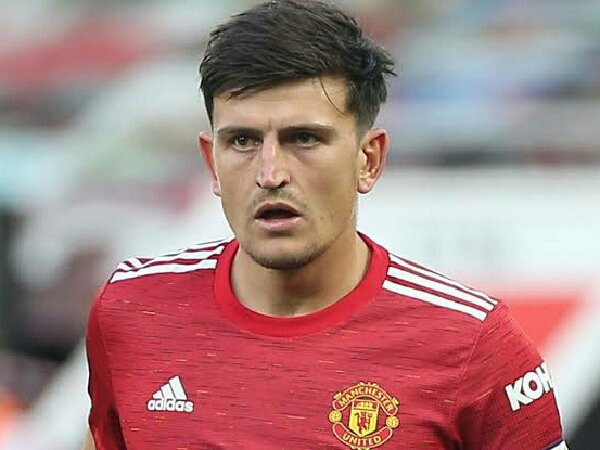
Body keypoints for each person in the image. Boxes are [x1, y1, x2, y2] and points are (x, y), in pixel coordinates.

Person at [83, 1, 569, 449]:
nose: (271, 173)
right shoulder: (132, 308)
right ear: (212, 162)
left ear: (368, 159)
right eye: (243, 141)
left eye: (304, 138)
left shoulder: (472, 342)